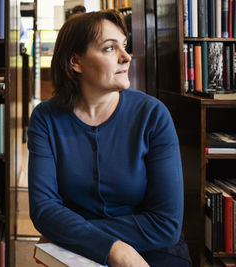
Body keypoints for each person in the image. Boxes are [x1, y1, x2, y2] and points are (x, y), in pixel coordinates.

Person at [27, 10, 191, 267]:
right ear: (76, 62)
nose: (126, 57)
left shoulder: (153, 114)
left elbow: (166, 224)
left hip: (153, 247)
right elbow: (43, 209)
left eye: (124, 46)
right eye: (109, 48)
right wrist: (114, 249)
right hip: (79, 253)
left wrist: (70, 231)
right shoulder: (45, 118)